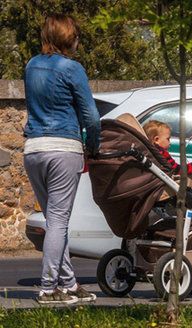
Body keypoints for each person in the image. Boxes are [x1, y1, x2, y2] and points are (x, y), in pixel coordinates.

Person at [23, 14, 100, 304]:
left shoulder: (31, 66)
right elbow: (91, 116)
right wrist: (92, 145)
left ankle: (68, 283)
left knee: (53, 219)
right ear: (71, 38)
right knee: (58, 220)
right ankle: (47, 289)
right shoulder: (73, 69)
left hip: (33, 149)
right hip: (63, 148)